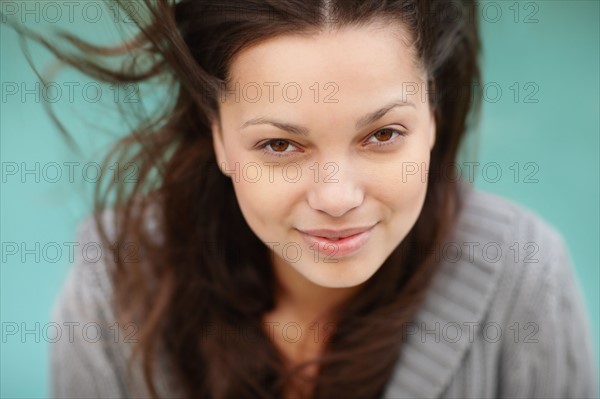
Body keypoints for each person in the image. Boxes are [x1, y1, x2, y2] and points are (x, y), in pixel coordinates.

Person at [19, 0, 594, 398]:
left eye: (383, 135)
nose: (337, 197)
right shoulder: (115, 284)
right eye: (279, 144)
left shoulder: (524, 275)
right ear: (217, 133)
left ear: (434, 115)